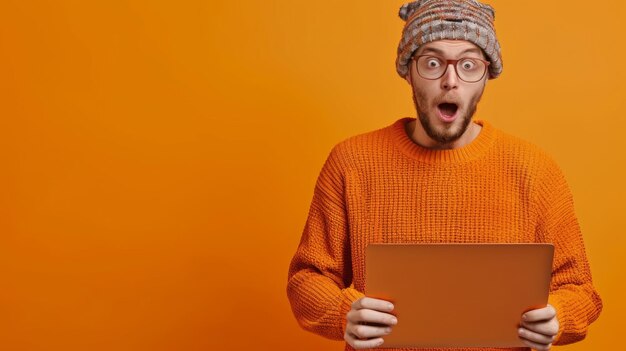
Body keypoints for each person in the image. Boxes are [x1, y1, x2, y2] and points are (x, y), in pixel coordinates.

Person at [286, 1, 603, 350]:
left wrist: (557, 315)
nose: (450, 81)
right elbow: (307, 279)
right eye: (433, 63)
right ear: (408, 70)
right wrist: (344, 312)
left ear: (486, 76)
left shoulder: (535, 170)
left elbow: (581, 292)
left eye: (468, 65)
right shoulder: (351, 162)